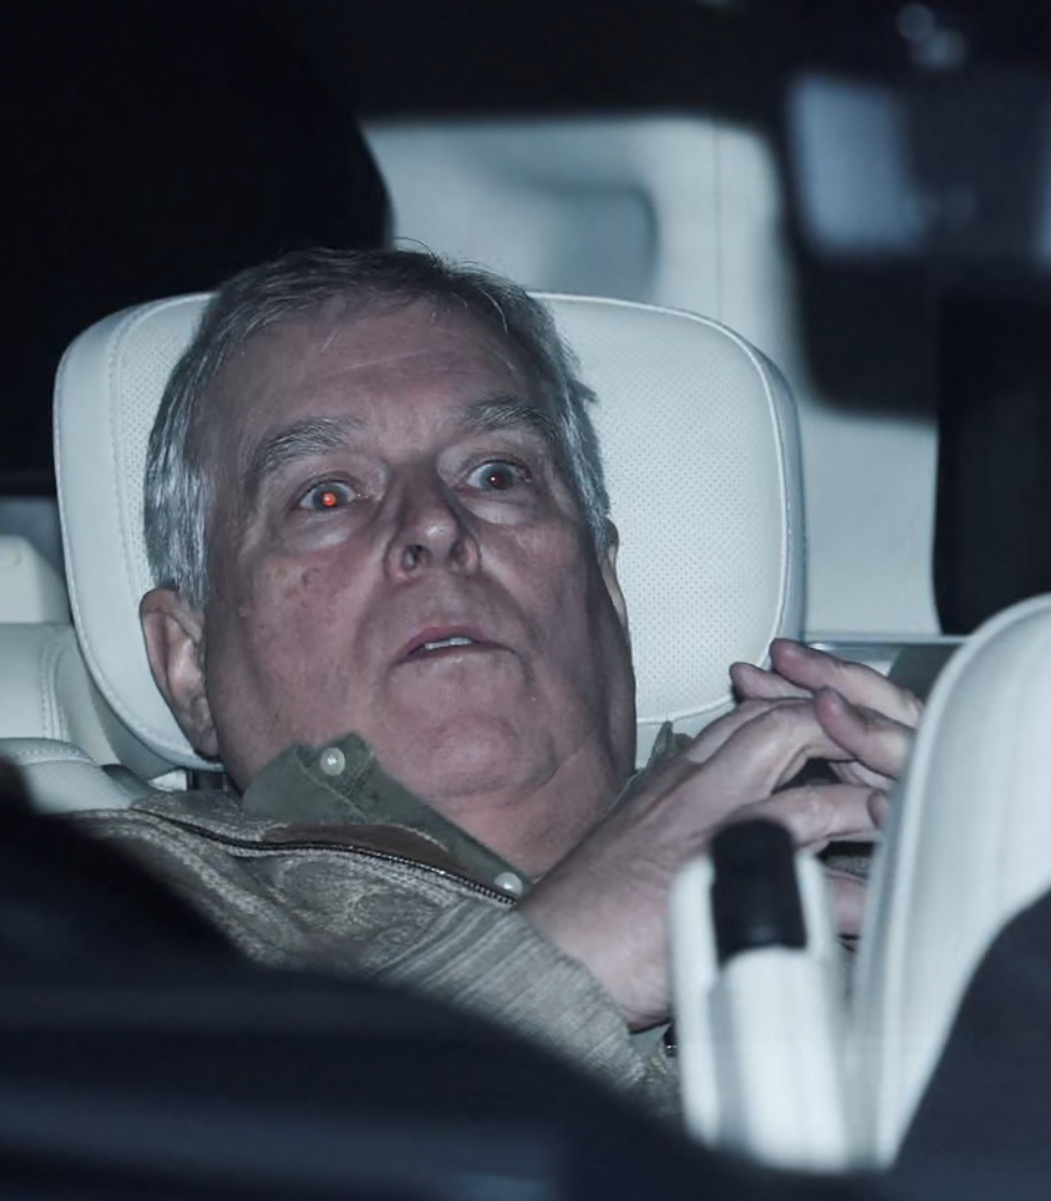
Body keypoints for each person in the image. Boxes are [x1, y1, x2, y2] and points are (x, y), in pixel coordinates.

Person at [82, 247, 916, 1109]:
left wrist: (964, 864)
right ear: (189, 663)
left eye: (495, 474)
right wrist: (561, 973)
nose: (434, 524)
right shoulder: (94, 910)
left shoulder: (859, 843)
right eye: (325, 496)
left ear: (606, 590)